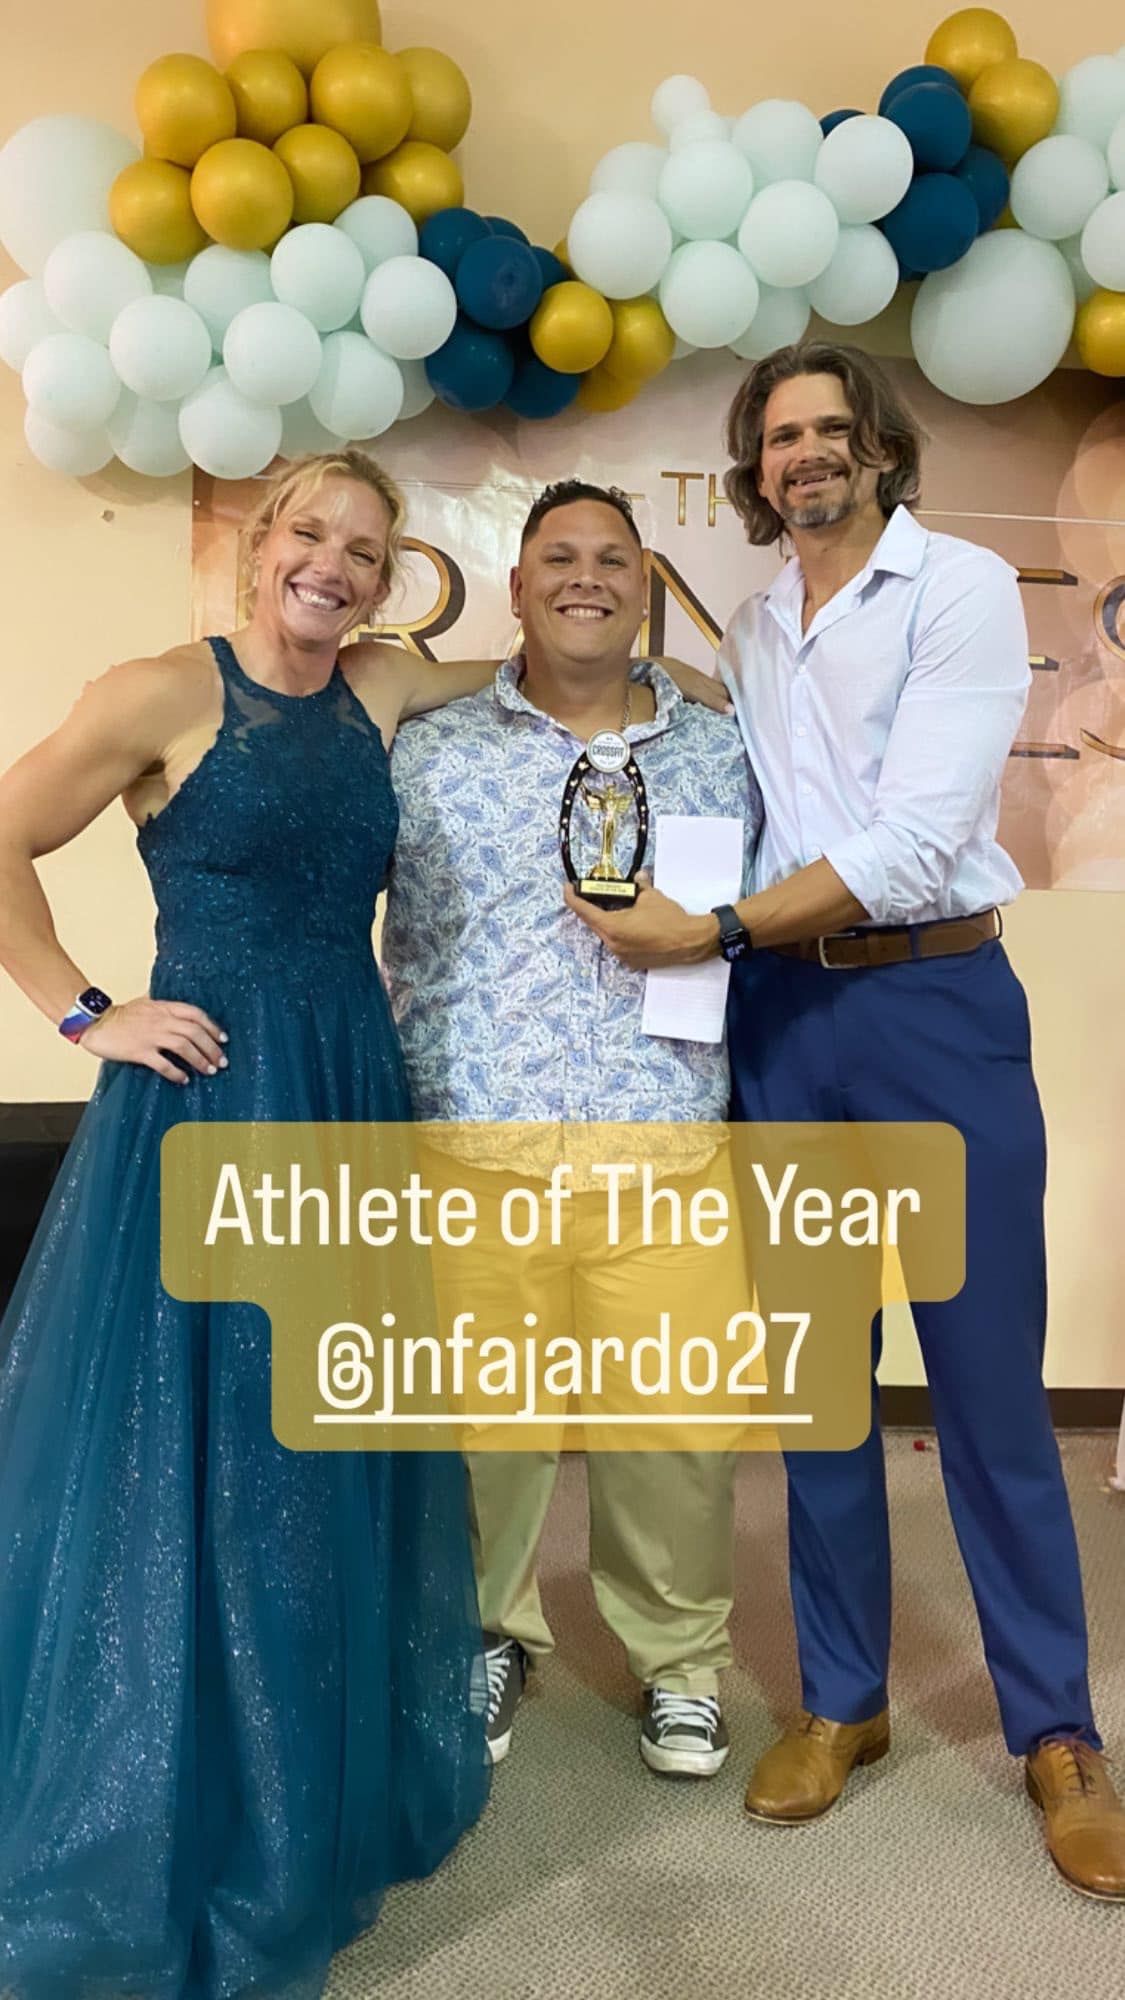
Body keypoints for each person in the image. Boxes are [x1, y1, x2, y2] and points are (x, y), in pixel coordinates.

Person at [563, 346, 1125, 1901]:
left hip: (932, 1007)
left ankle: (1056, 1733)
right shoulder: (753, 627)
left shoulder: (956, 589)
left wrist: (709, 930)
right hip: (785, 1028)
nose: (803, 453)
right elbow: (732, 794)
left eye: (827, 428)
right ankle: (841, 1701)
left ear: (876, 447)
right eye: (778, 436)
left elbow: (916, 838)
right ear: (754, 471)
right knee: (816, 1387)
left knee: (987, 1391)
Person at [0, 446, 526, 2000]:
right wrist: (87, 1010)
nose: (333, 568)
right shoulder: (160, 692)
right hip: (214, 1102)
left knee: (317, 1431)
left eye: (364, 551)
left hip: (344, 1091)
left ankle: (303, 1760)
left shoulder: (382, 689)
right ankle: (187, 1783)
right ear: (261, 546)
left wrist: (677, 661)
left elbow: (538, 673)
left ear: (385, 579)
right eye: (311, 535)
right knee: (201, 1430)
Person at [381, 480, 762, 1779]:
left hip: (664, 1137)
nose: (584, 577)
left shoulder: (722, 750)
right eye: (558, 557)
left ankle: (680, 1664)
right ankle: (486, 1632)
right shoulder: (428, 748)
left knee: (676, 1430)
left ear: (644, 587)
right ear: (517, 587)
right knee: (482, 1429)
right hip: (475, 1140)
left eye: (611, 558)